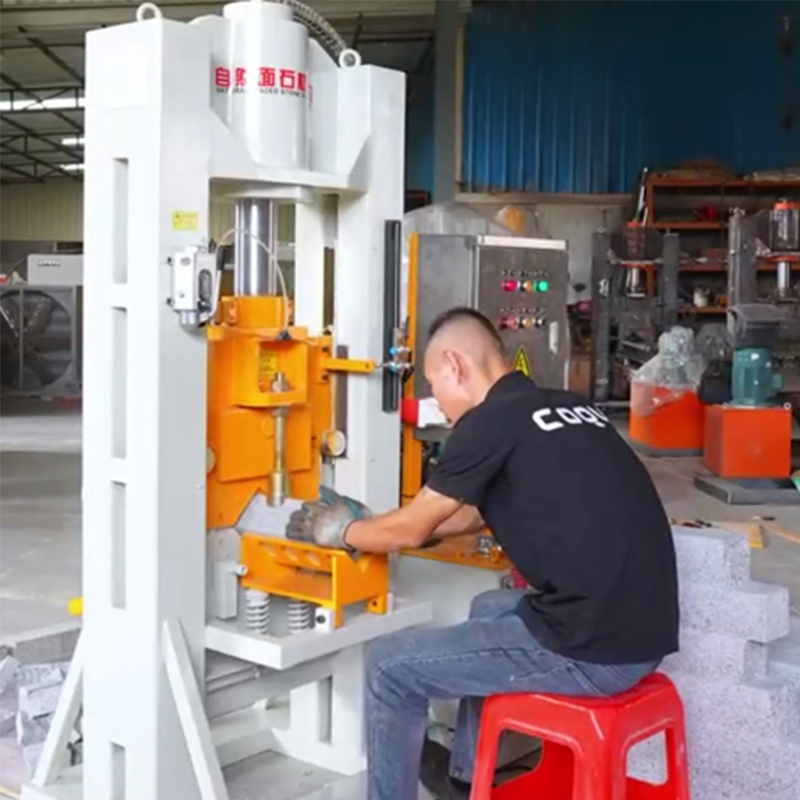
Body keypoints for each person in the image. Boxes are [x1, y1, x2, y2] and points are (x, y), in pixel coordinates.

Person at [286, 306, 679, 800]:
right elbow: (464, 516)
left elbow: (413, 528)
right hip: (643, 634)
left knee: (389, 666)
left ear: (455, 365)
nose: (438, 403)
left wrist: (344, 531)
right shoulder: (563, 407)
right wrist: (380, 528)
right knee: (490, 605)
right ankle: (467, 776)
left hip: (595, 652)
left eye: (434, 386)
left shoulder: (486, 423)